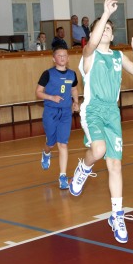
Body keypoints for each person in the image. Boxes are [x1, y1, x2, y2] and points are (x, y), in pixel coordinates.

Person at [69, 0, 133, 244]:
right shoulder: (88, 56)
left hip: (112, 112)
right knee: (98, 150)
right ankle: (83, 168)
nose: (105, 31)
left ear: (112, 36)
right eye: (102, 28)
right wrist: (105, 14)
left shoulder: (118, 56)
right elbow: (91, 42)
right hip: (93, 110)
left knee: (115, 166)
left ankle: (117, 215)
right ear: (94, 33)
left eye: (109, 29)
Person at [36, 47, 80, 190]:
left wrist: (76, 102)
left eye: (64, 55)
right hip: (51, 112)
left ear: (68, 58)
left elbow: (74, 89)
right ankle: (46, 153)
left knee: (63, 144)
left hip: (66, 113)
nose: (62, 58)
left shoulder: (72, 74)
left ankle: (62, 176)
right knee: (51, 143)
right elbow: (38, 92)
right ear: (54, 58)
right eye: (59, 55)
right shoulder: (47, 74)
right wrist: (51, 97)